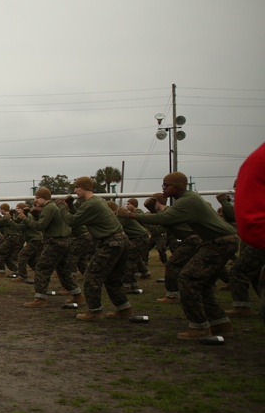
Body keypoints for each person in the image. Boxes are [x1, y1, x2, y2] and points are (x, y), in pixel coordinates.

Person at [131, 172, 239, 340]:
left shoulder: (187, 201)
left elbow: (165, 218)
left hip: (218, 241)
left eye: (167, 185)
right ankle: (220, 324)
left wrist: (132, 215)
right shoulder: (188, 199)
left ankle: (199, 326)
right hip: (219, 240)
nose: (164, 188)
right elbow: (164, 221)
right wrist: (151, 210)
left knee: (188, 279)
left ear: (178, 186)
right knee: (203, 283)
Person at [60, 177, 132, 321]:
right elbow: (80, 217)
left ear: (85, 187)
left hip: (110, 243)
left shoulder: (91, 204)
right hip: (120, 241)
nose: (75, 191)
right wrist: (71, 206)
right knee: (112, 279)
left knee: (92, 277)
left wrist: (62, 207)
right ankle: (124, 309)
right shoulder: (96, 201)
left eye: (77, 187)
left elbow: (72, 221)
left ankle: (95, 311)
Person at [17, 188, 83, 307]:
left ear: (44, 198)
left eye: (37, 198)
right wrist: (36, 213)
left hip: (55, 243)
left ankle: (40, 298)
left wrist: (24, 218)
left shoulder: (49, 208)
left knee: (42, 268)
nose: (35, 200)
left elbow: (39, 226)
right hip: (65, 242)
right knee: (64, 271)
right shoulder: (53, 207)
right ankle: (77, 295)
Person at [229, 143, 265, 318]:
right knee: (253, 272)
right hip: (251, 237)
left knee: (240, 270)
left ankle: (242, 306)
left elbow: (249, 221)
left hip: (256, 238)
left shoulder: (258, 161)